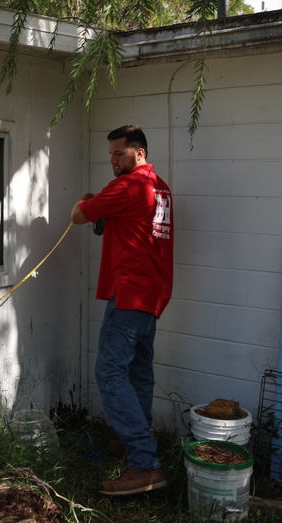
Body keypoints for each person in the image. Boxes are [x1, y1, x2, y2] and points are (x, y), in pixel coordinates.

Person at [71, 124, 174, 496]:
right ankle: (136, 443)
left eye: (120, 153)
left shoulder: (128, 186)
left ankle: (145, 464)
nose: (113, 160)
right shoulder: (158, 185)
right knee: (138, 371)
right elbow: (114, 220)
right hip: (153, 293)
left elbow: (80, 215)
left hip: (129, 292)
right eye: (111, 154)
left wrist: (85, 201)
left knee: (109, 371)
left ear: (139, 153)